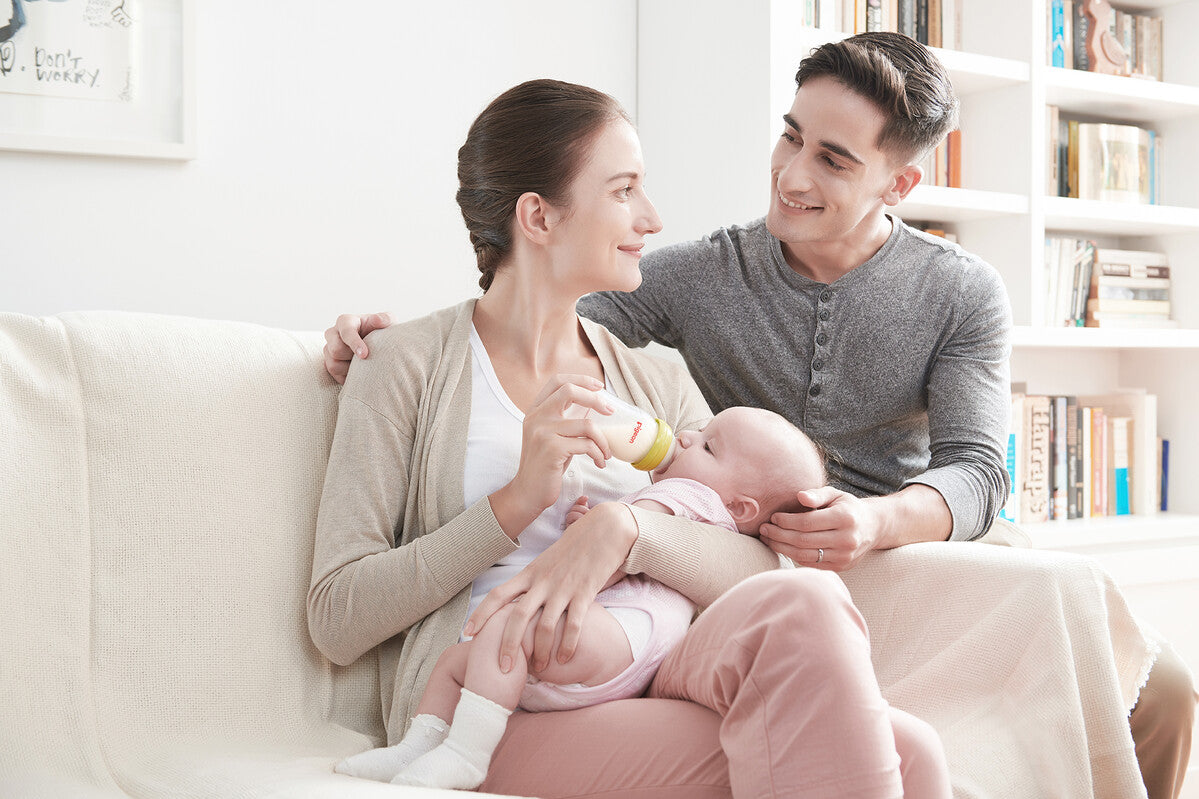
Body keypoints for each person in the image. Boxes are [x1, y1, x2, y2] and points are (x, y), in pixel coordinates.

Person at [323, 33, 1195, 798]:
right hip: (515, 673)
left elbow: (975, 470)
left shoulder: (956, 289)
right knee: (902, 744)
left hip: (872, 555)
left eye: (833, 160)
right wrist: (383, 343)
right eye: (789, 137)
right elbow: (523, 307)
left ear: (900, 183)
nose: (790, 173)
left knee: (1156, 689)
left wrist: (857, 521)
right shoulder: (682, 287)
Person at [309, 77, 950, 798]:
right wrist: (516, 502)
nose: (651, 217)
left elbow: (754, 564)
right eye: (624, 190)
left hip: (648, 660)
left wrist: (626, 530)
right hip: (493, 701)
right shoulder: (400, 364)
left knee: (861, 676)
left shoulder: (654, 378)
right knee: (888, 757)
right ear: (538, 217)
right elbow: (338, 615)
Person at [335, 407, 828, 790]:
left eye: (708, 445)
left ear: (740, 507)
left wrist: (609, 529)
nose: (684, 436)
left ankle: (462, 753)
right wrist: (585, 530)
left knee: (506, 635)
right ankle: (420, 745)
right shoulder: (698, 494)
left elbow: (625, 552)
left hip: (622, 629)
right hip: (622, 652)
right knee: (455, 660)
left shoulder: (692, 495)